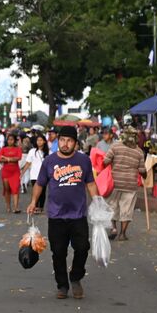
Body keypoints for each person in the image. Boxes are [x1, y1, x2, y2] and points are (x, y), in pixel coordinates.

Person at [26, 125, 96, 299]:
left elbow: (90, 184)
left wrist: (99, 202)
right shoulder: (49, 161)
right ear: (58, 141)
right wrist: (33, 201)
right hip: (56, 216)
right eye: (62, 140)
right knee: (58, 252)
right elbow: (40, 184)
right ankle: (62, 285)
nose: (65, 144)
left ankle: (76, 277)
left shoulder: (84, 161)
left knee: (82, 248)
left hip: (78, 215)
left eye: (69, 141)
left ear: (75, 143)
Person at [107, 129, 143, 240]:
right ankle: (122, 234)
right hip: (130, 184)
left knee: (112, 206)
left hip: (115, 182)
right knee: (126, 209)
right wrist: (146, 175)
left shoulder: (115, 146)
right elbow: (142, 170)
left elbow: (105, 161)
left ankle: (113, 228)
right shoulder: (139, 152)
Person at [0, 132, 24, 213]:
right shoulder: (3, 149)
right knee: (7, 189)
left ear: (14, 141)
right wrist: (10, 159)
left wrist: (6, 158)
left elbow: (18, 158)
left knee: (15, 188)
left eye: (12, 140)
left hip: (15, 171)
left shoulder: (18, 149)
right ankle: (8, 206)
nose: (10, 141)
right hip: (6, 171)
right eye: (9, 140)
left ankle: (16, 207)